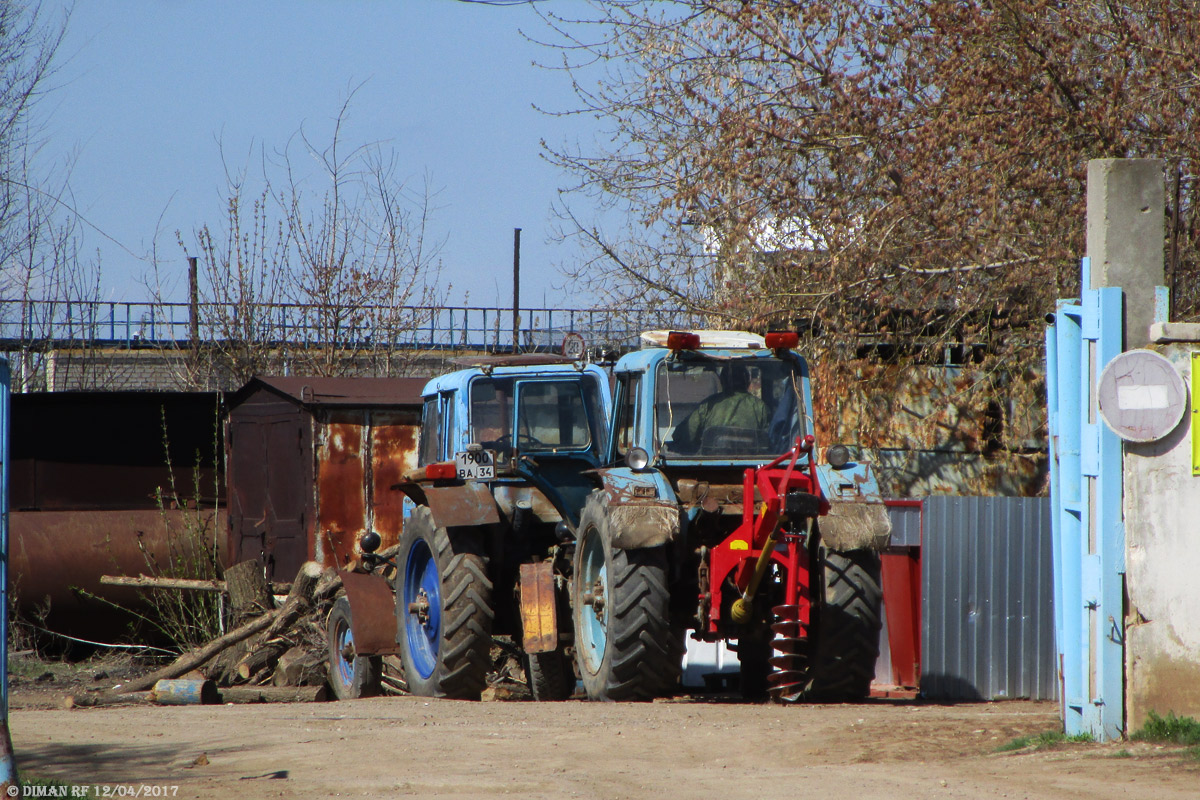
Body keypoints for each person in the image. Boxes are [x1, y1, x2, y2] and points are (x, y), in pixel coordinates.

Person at [669, 363, 769, 455]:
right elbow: (770, 440)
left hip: (711, 467)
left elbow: (683, 435)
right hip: (751, 466)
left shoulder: (709, 405)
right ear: (747, 381)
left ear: (722, 381)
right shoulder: (761, 407)